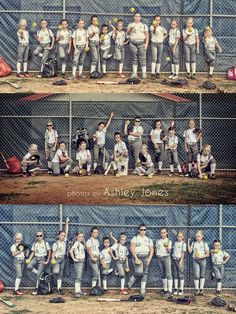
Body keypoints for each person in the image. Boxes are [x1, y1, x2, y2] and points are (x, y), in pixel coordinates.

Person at [128, 224, 154, 296]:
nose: (143, 231)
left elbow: (152, 250)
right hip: (137, 257)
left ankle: (142, 288)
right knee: (139, 272)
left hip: (145, 256)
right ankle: (132, 279)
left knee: (145, 273)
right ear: (138, 230)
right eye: (141, 230)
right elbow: (131, 248)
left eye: (144, 230)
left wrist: (149, 259)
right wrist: (136, 258)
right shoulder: (135, 238)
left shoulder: (148, 239)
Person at [26, 230, 51, 295]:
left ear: (43, 236)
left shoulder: (45, 243)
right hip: (35, 257)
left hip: (42, 258)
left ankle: (36, 288)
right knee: (29, 266)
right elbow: (33, 252)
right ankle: (39, 273)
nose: (39, 237)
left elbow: (49, 251)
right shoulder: (35, 244)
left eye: (40, 235)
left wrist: (47, 260)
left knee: (38, 276)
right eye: (37, 236)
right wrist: (29, 259)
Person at [51, 217, 70, 294]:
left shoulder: (64, 241)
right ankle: (53, 284)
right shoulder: (56, 244)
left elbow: (66, 231)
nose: (63, 236)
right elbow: (53, 253)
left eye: (64, 235)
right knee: (56, 271)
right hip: (57, 259)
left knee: (61, 273)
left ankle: (59, 288)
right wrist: (53, 259)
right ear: (58, 236)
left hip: (63, 258)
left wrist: (66, 223)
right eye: (61, 235)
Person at [188, 230, 210, 296]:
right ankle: (196, 289)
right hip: (195, 260)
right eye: (196, 236)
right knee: (196, 275)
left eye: (199, 236)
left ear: (202, 236)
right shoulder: (194, 243)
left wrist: (201, 256)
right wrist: (188, 242)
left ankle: (201, 289)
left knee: (202, 274)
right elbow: (189, 251)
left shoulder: (204, 244)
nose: (198, 238)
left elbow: (208, 254)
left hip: (202, 260)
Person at [127, 13, 149, 79]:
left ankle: (144, 73)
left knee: (142, 58)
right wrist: (130, 30)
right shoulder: (131, 24)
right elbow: (127, 33)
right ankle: (134, 73)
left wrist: (146, 44)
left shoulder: (144, 25)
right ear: (134, 17)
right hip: (132, 43)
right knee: (134, 58)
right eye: (136, 16)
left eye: (138, 16)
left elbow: (147, 36)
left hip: (142, 43)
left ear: (140, 18)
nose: (137, 17)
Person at [70, 231, 87, 298]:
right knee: (78, 277)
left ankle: (79, 290)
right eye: (80, 236)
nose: (81, 238)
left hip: (82, 261)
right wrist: (74, 258)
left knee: (80, 276)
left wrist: (84, 241)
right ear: (76, 237)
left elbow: (86, 248)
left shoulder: (81, 244)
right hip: (78, 261)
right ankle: (77, 291)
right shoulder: (76, 243)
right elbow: (71, 250)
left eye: (82, 237)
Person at [156, 227, 173, 295]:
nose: (163, 234)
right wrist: (157, 253)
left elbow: (169, 251)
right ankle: (165, 289)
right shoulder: (158, 241)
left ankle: (170, 290)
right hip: (160, 257)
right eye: (161, 233)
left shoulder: (169, 241)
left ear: (167, 233)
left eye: (164, 233)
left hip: (166, 257)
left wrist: (167, 248)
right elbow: (156, 248)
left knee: (168, 273)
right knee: (163, 273)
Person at [172, 231, 187, 295]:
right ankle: (175, 289)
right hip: (174, 259)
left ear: (183, 237)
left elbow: (183, 253)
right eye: (178, 236)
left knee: (181, 274)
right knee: (175, 274)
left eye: (180, 237)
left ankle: (181, 289)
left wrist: (180, 261)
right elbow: (173, 251)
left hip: (180, 260)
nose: (179, 238)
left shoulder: (183, 244)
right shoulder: (175, 243)